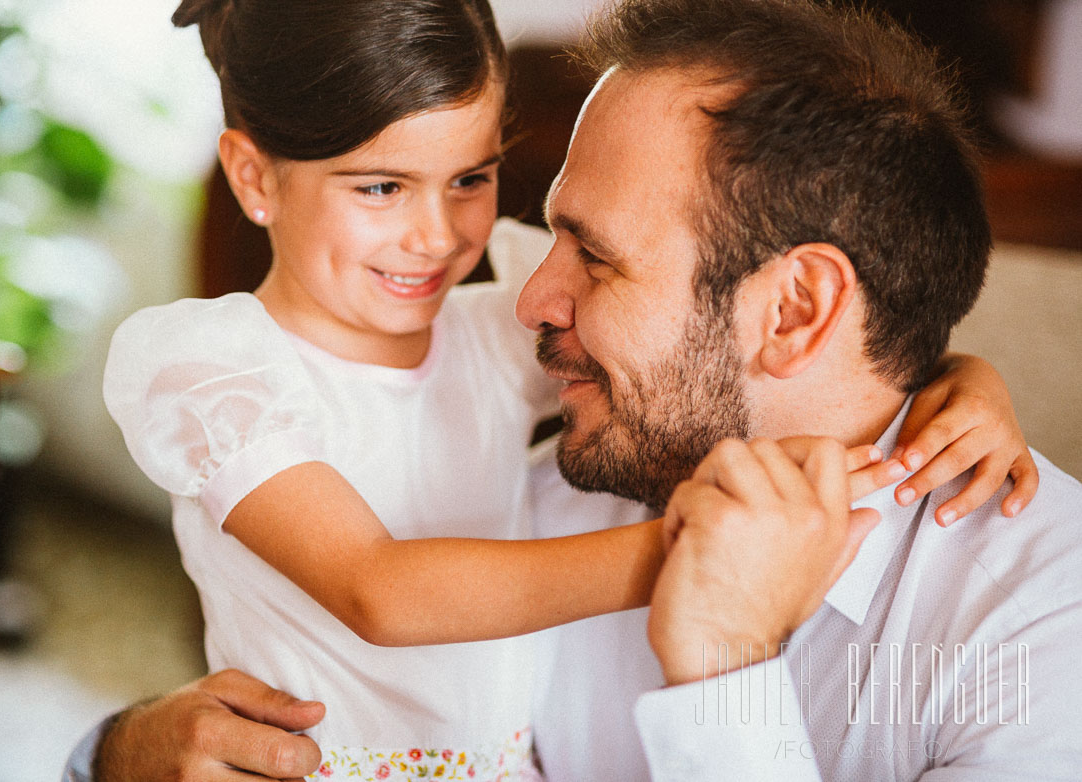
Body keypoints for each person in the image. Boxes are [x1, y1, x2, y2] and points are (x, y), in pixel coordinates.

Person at [68, 1, 1047, 780]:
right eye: (381, 186)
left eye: (598, 256)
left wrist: (728, 660)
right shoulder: (563, 481)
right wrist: (116, 755)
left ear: (795, 311)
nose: (520, 290)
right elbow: (374, 600)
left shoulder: (1039, 630)